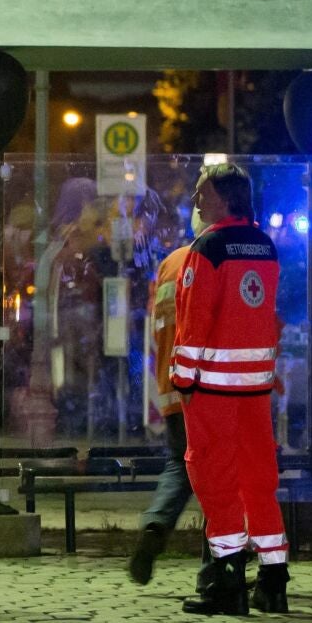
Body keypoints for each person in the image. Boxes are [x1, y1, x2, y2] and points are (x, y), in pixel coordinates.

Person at [170, 163, 287, 615]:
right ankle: (274, 581)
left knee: (215, 481)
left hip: (213, 389)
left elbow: (194, 322)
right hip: (255, 390)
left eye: (204, 194)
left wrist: (182, 380)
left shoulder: (208, 247)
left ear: (225, 199)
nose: (197, 201)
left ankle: (229, 583)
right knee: (259, 480)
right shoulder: (264, 245)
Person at [126, 237, 195, 585]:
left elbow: (155, 326)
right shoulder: (213, 256)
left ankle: (155, 524)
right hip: (209, 386)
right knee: (220, 475)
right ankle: (222, 562)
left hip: (171, 382)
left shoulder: (168, 264)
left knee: (179, 463)